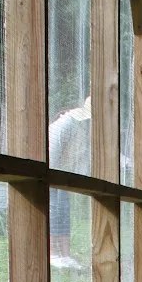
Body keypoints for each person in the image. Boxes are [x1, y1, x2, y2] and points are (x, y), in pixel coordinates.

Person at [48, 96, 91, 268]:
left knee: (63, 211)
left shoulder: (84, 129)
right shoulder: (65, 124)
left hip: (64, 174)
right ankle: (52, 253)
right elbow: (52, 150)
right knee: (53, 210)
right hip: (51, 171)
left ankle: (65, 254)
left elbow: (82, 159)